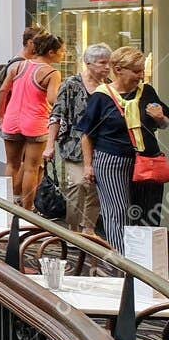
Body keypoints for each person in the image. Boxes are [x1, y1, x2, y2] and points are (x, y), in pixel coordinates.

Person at [77, 47, 169, 248]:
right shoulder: (102, 96)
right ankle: (123, 264)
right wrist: (88, 165)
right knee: (118, 212)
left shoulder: (147, 91)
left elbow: (164, 123)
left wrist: (161, 119)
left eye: (141, 70)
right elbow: (86, 133)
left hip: (147, 160)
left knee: (147, 212)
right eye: (136, 71)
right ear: (118, 69)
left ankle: (145, 262)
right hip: (112, 160)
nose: (140, 75)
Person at [47, 43, 113, 236]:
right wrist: (50, 145)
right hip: (73, 145)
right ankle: (73, 227)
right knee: (76, 184)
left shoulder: (109, 86)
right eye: (102, 63)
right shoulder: (71, 84)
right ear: (89, 63)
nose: (107, 67)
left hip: (101, 145)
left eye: (108, 63)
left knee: (93, 187)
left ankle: (89, 227)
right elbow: (57, 114)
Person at [0, 32, 64, 208]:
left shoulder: (19, 66)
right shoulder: (52, 73)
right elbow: (52, 99)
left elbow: (3, 90)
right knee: (31, 168)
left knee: (11, 164)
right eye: (62, 51)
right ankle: (27, 210)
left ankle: (7, 204)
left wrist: (1, 114)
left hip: (12, 120)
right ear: (51, 52)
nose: (63, 54)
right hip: (36, 122)